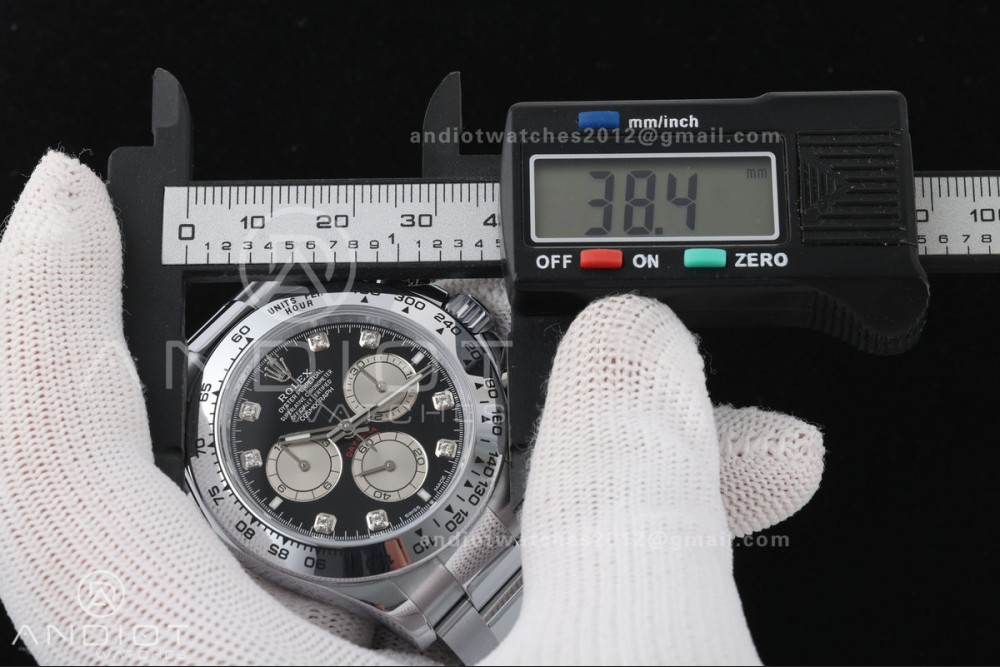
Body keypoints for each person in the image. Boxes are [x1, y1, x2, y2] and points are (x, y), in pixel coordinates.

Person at [0, 152, 825, 665]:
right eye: (327, 440)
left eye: (360, 412)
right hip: (395, 583)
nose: (346, 430)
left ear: (458, 327)